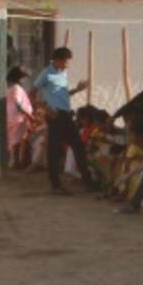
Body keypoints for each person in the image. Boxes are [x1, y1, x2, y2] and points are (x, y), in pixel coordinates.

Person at [34, 47, 95, 194]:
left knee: (78, 146)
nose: (68, 65)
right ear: (58, 60)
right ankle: (56, 185)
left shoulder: (63, 73)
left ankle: (86, 180)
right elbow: (31, 94)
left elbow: (62, 95)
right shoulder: (46, 74)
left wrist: (77, 89)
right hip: (55, 116)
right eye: (67, 62)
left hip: (66, 115)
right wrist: (46, 108)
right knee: (54, 150)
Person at [5, 67, 35, 169]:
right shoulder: (16, 88)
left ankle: (15, 162)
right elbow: (18, 104)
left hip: (13, 117)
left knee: (14, 141)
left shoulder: (10, 87)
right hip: (18, 117)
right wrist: (29, 115)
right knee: (16, 142)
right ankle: (16, 163)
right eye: (24, 77)